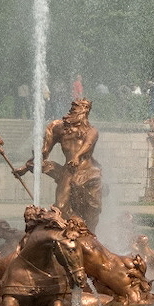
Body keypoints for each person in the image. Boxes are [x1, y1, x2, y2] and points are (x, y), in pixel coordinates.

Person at [15, 98, 102, 232]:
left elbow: (88, 144)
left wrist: (77, 156)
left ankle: (89, 236)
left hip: (88, 172)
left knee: (93, 209)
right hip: (69, 171)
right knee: (60, 206)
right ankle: (65, 232)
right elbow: (44, 152)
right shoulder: (60, 128)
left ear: (85, 111)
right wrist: (26, 168)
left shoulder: (92, 131)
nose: (72, 109)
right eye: (72, 107)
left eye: (76, 108)